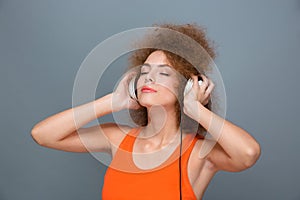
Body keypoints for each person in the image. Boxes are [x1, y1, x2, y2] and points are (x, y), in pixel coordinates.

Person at [31, 23, 261, 200]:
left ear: (187, 86)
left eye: (163, 73)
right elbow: (43, 135)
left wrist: (195, 108)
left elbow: (248, 153)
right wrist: (111, 102)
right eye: (145, 71)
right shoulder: (117, 138)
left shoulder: (200, 152)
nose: (149, 77)